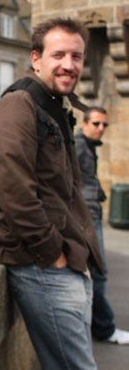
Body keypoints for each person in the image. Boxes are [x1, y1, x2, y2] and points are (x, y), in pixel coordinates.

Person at [0, 18, 104, 370]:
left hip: (66, 262)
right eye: (59, 55)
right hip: (42, 266)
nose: (70, 64)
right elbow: (13, 186)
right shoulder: (19, 105)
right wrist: (51, 253)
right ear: (36, 58)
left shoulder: (53, 105)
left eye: (77, 56)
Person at [75, 107, 129, 345]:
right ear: (85, 123)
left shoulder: (88, 146)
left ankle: (98, 325)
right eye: (96, 123)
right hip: (87, 217)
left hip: (89, 213)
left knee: (95, 273)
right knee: (99, 272)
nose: (100, 129)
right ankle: (105, 328)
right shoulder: (79, 146)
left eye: (104, 125)